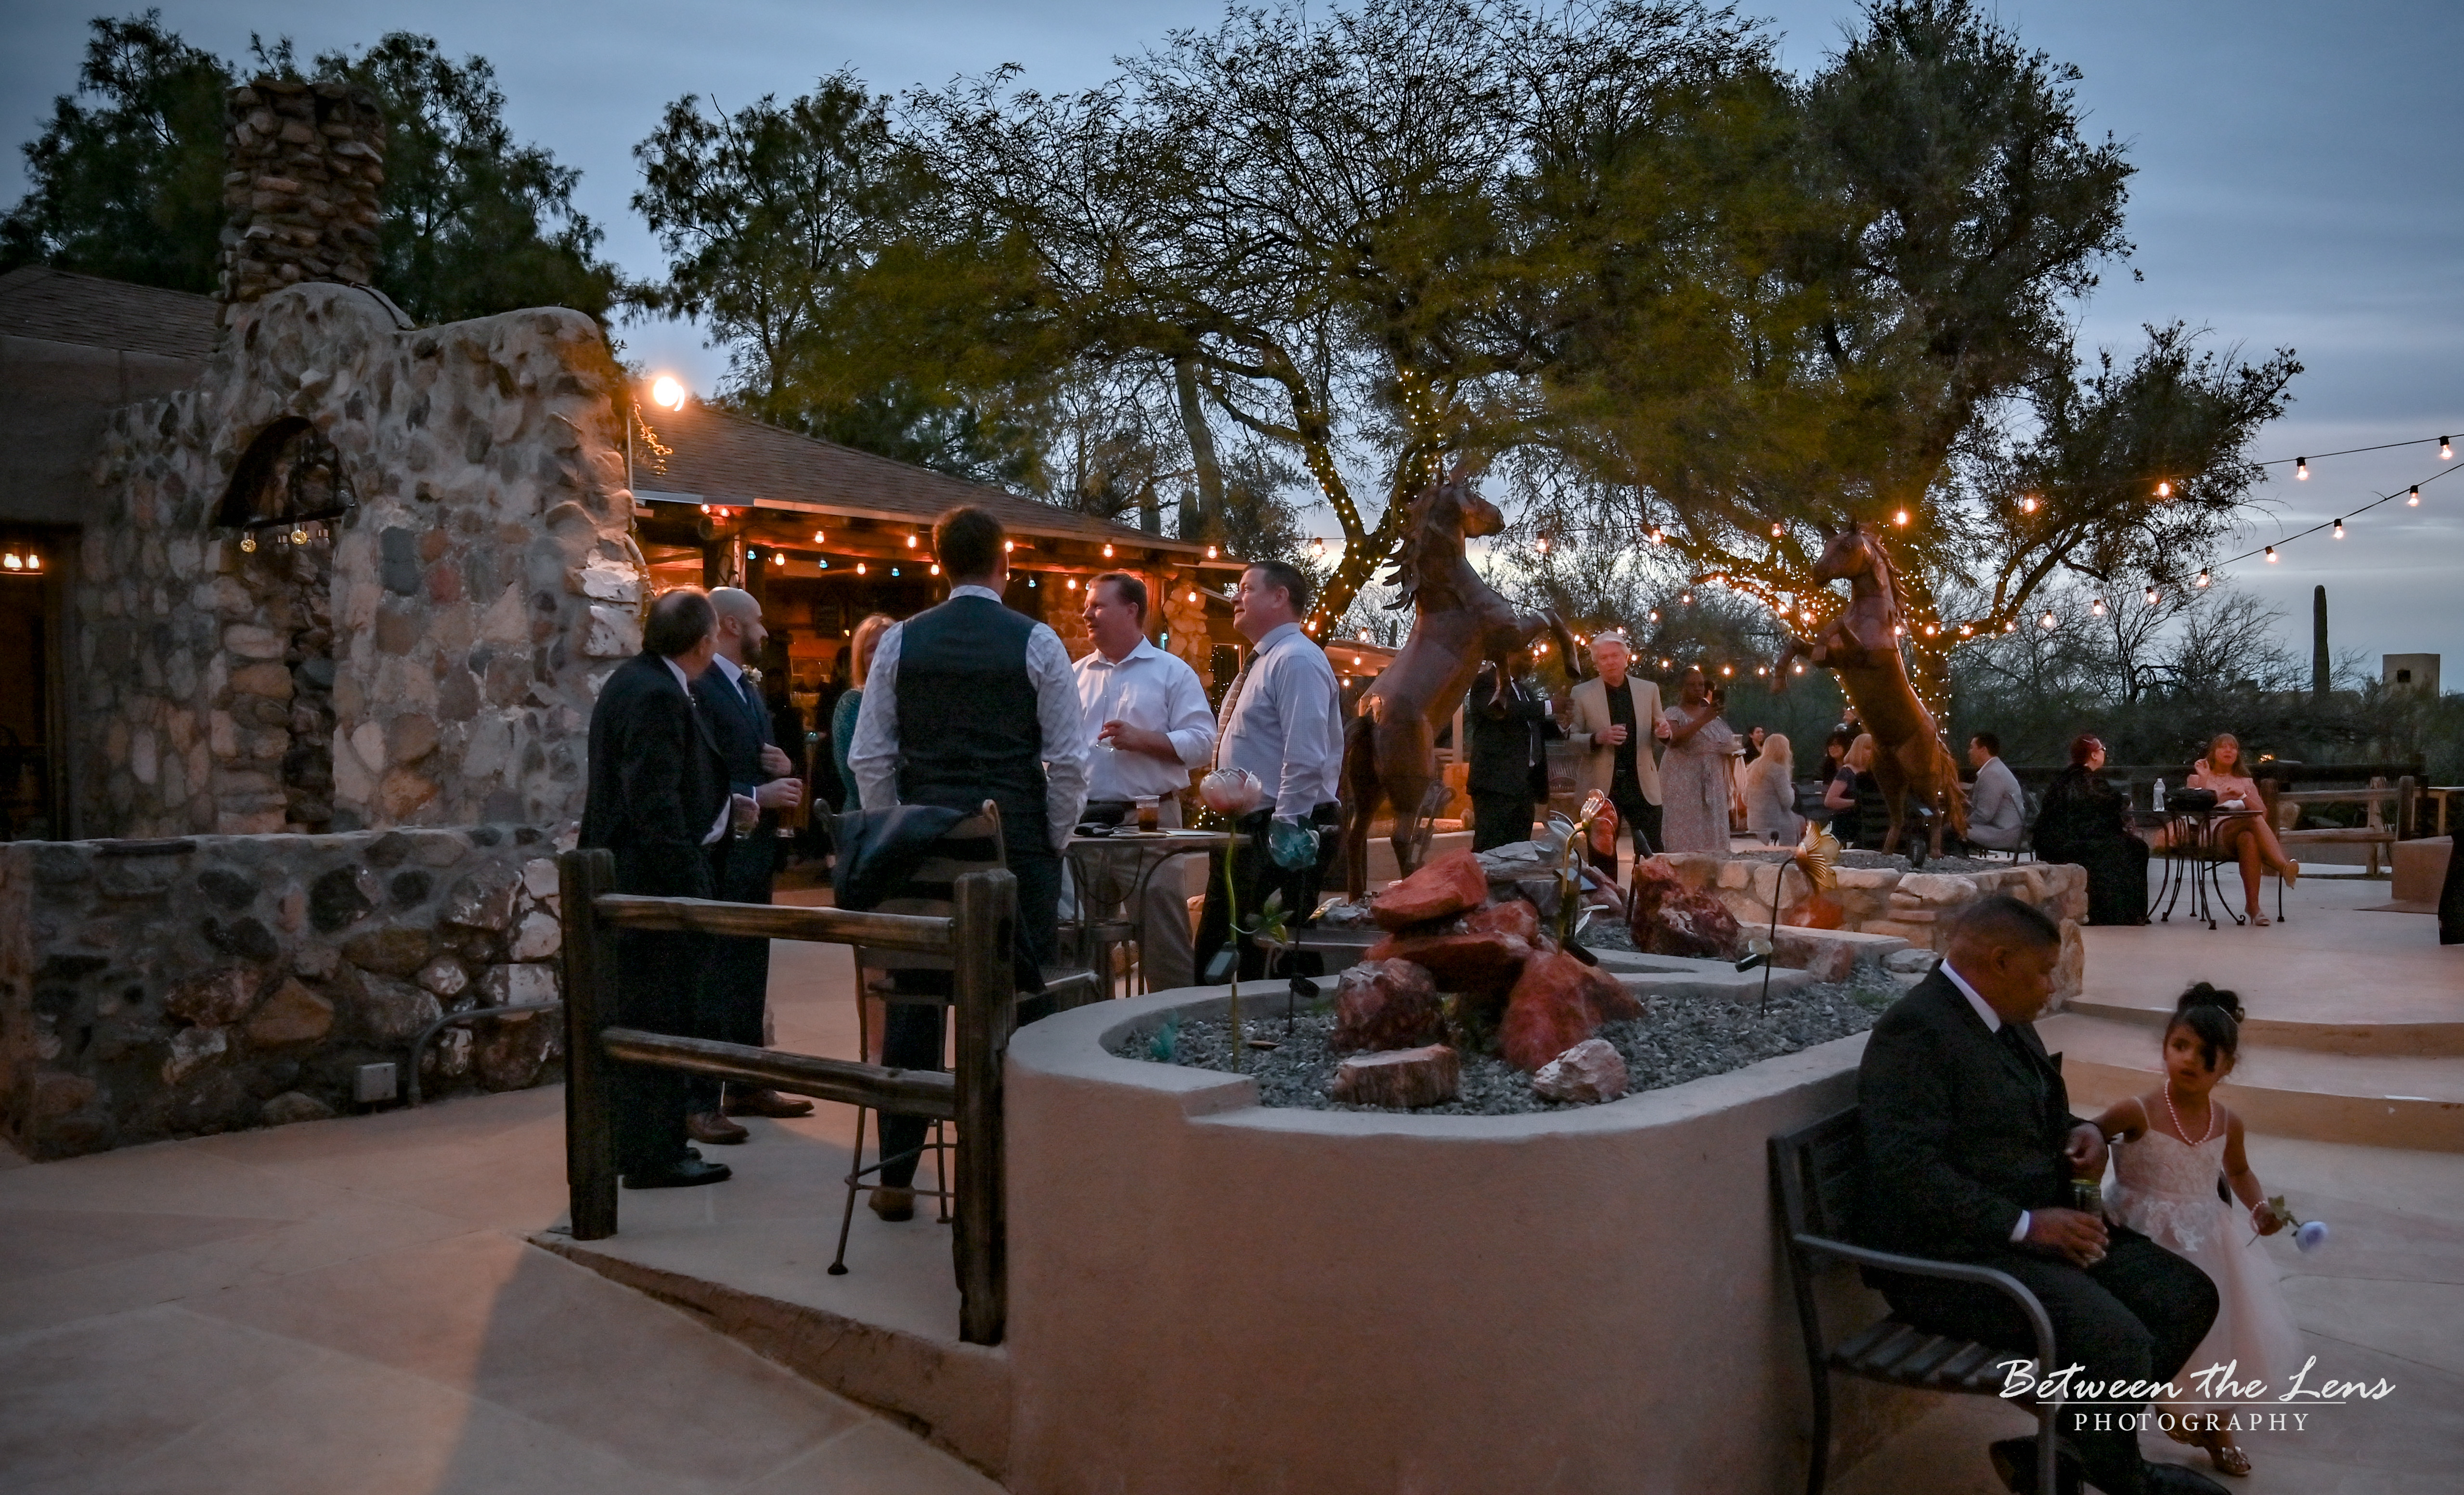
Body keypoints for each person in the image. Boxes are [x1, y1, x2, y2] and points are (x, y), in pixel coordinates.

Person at [1859, 897, 2227, 1495]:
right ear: (2000, 961)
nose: (2051, 986)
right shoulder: (1916, 1033)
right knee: (2118, 1341)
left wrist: (2079, 1130)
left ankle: (2063, 1454)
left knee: (2184, 1297)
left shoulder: (2006, 1015)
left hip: (2029, 1239)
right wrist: (2028, 1226)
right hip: (1953, 1260)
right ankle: (2125, 1477)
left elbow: (2031, 1113)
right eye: (2043, 971)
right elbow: (1907, 1172)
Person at [848, 507, 1089, 1220]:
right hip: (1013, 850)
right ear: (1003, 561)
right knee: (1018, 1004)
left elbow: (869, 759)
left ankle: (896, 1176)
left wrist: (899, 830)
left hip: (922, 850)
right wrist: (1050, 838)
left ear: (938, 561)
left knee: (916, 1007)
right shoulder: (1037, 641)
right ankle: (1013, 1170)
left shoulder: (897, 644)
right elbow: (1069, 763)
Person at [578, 587, 756, 1191]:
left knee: (649, 1019)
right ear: (706, 641)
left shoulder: (634, 682)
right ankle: (656, 1152)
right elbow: (653, 805)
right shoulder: (656, 696)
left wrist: (724, 810)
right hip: (652, 891)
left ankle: (643, 1144)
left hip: (639, 881)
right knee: (660, 1019)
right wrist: (692, 887)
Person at [2088, 984, 2304, 1480]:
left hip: (2206, 1239)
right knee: (2139, 1332)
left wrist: (2259, 1210)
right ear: (2166, 1044)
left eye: (2207, 1055)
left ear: (2227, 1066)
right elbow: (2089, 1135)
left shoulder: (2228, 1121)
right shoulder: (2136, 1110)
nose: (2189, 1060)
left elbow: (2241, 1171)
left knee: (2221, 1335)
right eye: (2180, 1046)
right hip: (2140, 1236)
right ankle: (2126, 1419)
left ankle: (2216, 1427)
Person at [680, 588, 815, 1146]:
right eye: (759, 621)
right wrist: (757, 791)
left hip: (754, 852)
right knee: (715, 975)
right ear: (731, 624)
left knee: (748, 972)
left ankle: (745, 1082)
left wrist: (783, 764)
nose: (766, 630)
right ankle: (699, 1099)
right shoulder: (700, 687)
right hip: (720, 854)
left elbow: (751, 753)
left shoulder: (746, 688)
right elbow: (696, 777)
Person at [1193, 560, 1344, 982]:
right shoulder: (1263, 661)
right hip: (1247, 829)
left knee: (1267, 954)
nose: (1235, 598)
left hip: (1282, 829)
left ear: (1280, 597)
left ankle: (1264, 1037)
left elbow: (1306, 755)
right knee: (1221, 946)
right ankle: (1220, 1031)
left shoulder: (1296, 660)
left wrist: (1285, 832)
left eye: (1246, 588)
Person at [1071, 571, 1216, 991]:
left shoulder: (1172, 673)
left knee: (1164, 942)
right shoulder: (1074, 674)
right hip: (1084, 825)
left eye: (1098, 605)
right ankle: (1085, 1040)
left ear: (1131, 610)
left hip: (1149, 821)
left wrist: (1145, 740)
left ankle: (1172, 1038)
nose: (1087, 613)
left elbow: (1204, 743)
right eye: (1087, 605)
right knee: (1081, 940)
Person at [1566, 629, 1667, 877]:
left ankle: (1651, 907)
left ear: (1626, 658)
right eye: (1603, 658)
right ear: (1596, 663)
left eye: (1615, 656)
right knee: (1602, 859)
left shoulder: (1649, 689)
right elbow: (1570, 739)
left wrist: (1664, 732)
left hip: (1641, 783)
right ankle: (1609, 909)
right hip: (1601, 788)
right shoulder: (1582, 694)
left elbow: (1660, 729)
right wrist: (1597, 737)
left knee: (1652, 854)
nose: (1610, 662)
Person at [2035, 734, 2150, 925]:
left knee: (2130, 845)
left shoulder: (2065, 778)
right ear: (2094, 756)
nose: (2104, 753)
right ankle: (2124, 913)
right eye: (2102, 750)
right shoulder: (2087, 781)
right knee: (2137, 848)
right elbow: (2103, 807)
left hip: (2053, 843)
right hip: (2078, 844)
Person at [2187, 733, 2298, 925]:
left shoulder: (2245, 782)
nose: (2229, 751)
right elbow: (2195, 810)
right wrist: (2206, 780)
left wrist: (2244, 796)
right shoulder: (2197, 778)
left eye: (2233, 748)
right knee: (2250, 820)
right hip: (2213, 832)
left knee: (2249, 838)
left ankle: (2253, 908)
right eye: (2223, 747)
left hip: (2240, 834)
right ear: (2213, 753)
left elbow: (2263, 814)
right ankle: (2282, 866)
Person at [1465, 657, 1555, 852]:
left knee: (1520, 851)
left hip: (1524, 786)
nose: (1530, 656)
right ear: (1505, 653)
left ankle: (1513, 884)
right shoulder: (1485, 683)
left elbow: (1533, 726)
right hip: (1495, 786)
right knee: (1490, 850)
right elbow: (1501, 710)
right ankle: (1484, 884)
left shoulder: (1524, 691)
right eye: (1523, 648)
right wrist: (1548, 706)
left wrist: (1563, 725)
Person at [1659, 665, 1740, 853]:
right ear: (1682, 688)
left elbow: (1723, 740)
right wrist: (1704, 719)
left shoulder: (1712, 714)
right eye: (1692, 685)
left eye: (1701, 685)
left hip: (1713, 780)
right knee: (1687, 833)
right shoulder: (1674, 713)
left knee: (1713, 832)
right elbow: (1674, 740)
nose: (1698, 689)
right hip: (1684, 782)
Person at [831, 613, 894, 812]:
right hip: (866, 818)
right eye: (871, 649)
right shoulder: (852, 702)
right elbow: (853, 776)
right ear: (860, 658)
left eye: (886, 645)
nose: (880, 655)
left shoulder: (913, 701)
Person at [1967, 731, 2028, 852]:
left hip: (2003, 833)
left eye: (1972, 748)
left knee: (1952, 830)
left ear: (1983, 750)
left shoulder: (1992, 774)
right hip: (2010, 830)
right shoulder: (1996, 769)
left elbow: (1984, 815)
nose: (1969, 752)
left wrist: (1961, 822)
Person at [1741, 730, 1803, 844]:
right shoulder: (1778, 771)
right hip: (1776, 827)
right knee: (1800, 821)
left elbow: (1745, 798)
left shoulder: (1753, 766)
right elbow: (1787, 802)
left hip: (1754, 825)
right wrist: (1792, 790)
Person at [1823, 733, 1874, 848]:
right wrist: (1856, 803)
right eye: (1868, 748)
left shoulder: (1874, 773)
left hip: (1869, 819)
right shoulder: (1847, 772)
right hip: (1848, 820)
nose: (1872, 752)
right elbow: (1829, 801)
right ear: (1859, 749)